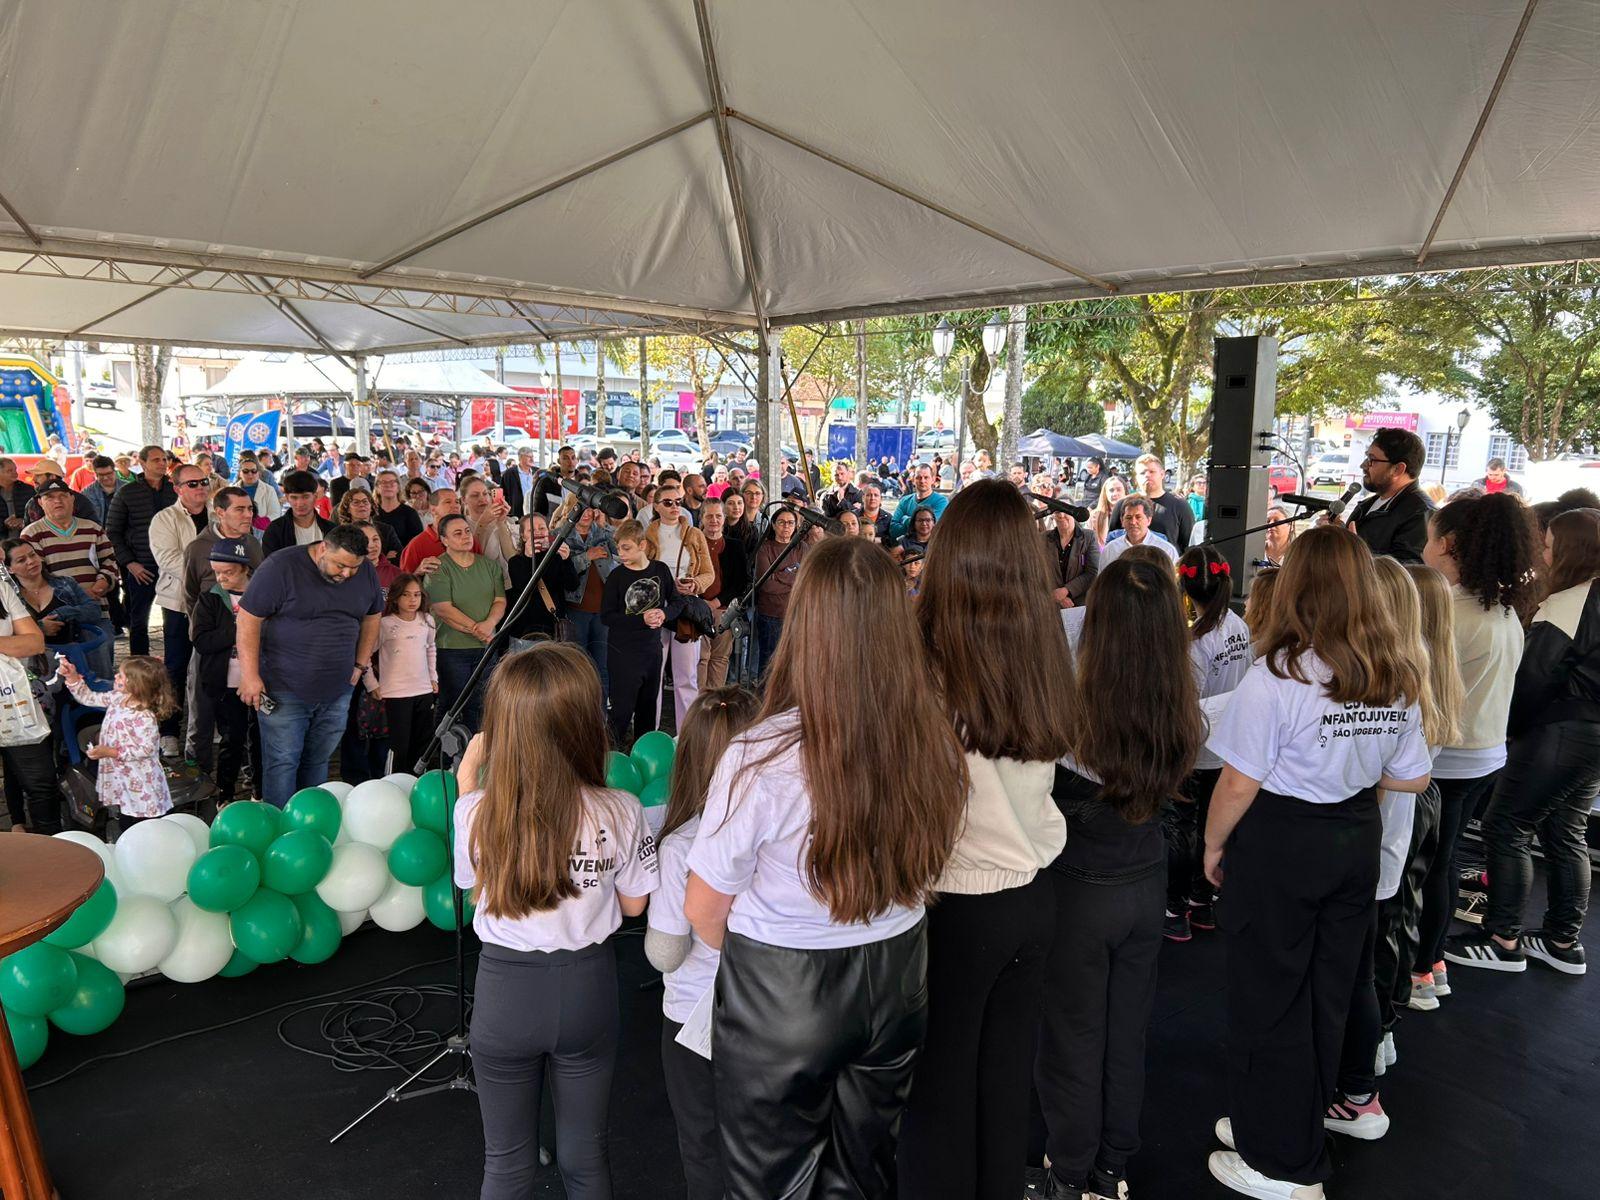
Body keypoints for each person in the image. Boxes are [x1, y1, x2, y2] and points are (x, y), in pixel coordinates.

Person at [683, 537, 968, 1200]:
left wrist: (771, 960)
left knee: (771, 1185)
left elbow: (703, 910)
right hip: (897, 975)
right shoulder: (935, 738)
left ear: (806, 626)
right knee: (866, 1176)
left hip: (783, 991)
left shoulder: (760, 755)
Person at [1203, 527, 1431, 1200]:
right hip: (1352, 841)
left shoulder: (1278, 676)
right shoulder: (1394, 672)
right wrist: (1348, 771)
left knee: (1269, 998)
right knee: (1324, 998)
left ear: (1298, 584)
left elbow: (1238, 784)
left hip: (1283, 845)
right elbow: (1413, 779)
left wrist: (1213, 847)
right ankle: (1277, 1127)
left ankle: (1280, 1163)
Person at [896, 481, 1072, 1200]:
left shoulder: (927, 652)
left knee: (938, 1095)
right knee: (1004, 1091)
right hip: (1034, 897)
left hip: (957, 903)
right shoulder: (1046, 643)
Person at [453, 644, 659, 1200]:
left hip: (504, 993)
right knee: (586, 1157)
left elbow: (476, 896)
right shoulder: (621, 808)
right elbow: (636, 906)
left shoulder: (474, 809)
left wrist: (468, 777)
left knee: (507, 1164)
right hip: (588, 988)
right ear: (585, 721)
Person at [1037, 554, 1205, 1200]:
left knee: (1072, 1039)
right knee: (1126, 1034)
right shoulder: (1178, 703)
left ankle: (1069, 1171)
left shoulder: (1074, 706)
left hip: (1081, 891)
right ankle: (1111, 1169)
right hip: (1144, 884)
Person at [1446, 507, 1600, 976]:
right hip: (1591, 739)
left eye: (1550, 546)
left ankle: (1503, 938)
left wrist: (1507, 729)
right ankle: (1561, 939)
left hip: (1559, 734)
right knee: (1565, 831)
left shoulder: (1569, 603)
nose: (1544, 555)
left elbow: (1532, 680)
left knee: (1507, 826)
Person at [1412, 492, 1542, 999]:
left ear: (1446, 544)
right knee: (1440, 862)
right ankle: (1433, 962)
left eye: (1427, 539)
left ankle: (1423, 968)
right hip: (1482, 757)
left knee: (1430, 867)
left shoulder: (1450, 612)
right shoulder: (1505, 611)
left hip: (1447, 758)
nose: (1422, 549)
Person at [645, 685, 761, 1200]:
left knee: (703, 1144)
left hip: (697, 1017)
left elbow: (667, 951)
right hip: (777, 1007)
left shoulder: (682, 843)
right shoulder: (786, 828)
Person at [237, 524, 383, 807]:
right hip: (284, 688)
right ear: (323, 548)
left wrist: (359, 664)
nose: (347, 574)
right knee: (282, 762)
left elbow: (373, 616)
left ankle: (307, 823)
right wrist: (250, 675)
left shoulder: (364, 571)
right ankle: (280, 828)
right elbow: (248, 619)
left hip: (339, 687)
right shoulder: (280, 567)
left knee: (318, 761)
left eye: (353, 567)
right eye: (341, 565)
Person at [1163, 543, 1253, 944]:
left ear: (1184, 587)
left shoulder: (1194, 641)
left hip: (1195, 747)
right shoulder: (1238, 625)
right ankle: (1202, 899)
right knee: (1211, 826)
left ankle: (1175, 907)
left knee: (1182, 827)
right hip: (1228, 746)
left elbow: (1186, 701)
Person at [61, 654, 176, 831]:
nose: (115, 676)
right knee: (127, 813)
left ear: (136, 685)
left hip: (140, 778)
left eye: (121, 675)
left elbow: (145, 749)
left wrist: (110, 752)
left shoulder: (144, 717)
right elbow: (89, 698)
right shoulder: (118, 698)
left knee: (144, 821)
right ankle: (126, 840)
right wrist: (72, 677)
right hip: (123, 776)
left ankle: (147, 847)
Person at [189, 539, 263, 804]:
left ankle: (259, 790)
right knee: (231, 739)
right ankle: (225, 793)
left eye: (228, 572)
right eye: (217, 572)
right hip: (225, 682)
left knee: (259, 738)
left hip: (259, 681)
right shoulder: (210, 599)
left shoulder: (263, 596)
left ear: (244, 568)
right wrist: (242, 627)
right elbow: (201, 640)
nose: (221, 578)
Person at [22, 478, 118, 677]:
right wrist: (74, 594)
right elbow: (36, 575)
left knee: (101, 668)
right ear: (40, 502)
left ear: (72, 499)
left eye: (62, 496)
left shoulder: (93, 528)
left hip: (96, 609)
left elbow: (109, 562)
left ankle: (101, 707)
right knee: (61, 675)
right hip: (55, 616)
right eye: (49, 497)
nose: (57, 501)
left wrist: (102, 583)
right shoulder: (31, 535)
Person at [149, 463, 213, 756]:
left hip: (217, 601)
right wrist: (211, 577)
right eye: (192, 484)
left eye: (204, 481)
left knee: (215, 664)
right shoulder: (165, 519)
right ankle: (169, 731)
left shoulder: (219, 513)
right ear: (177, 489)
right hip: (178, 603)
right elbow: (169, 560)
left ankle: (211, 724)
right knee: (176, 667)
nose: (200, 487)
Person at [602, 519, 683, 746]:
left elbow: (677, 603)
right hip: (623, 653)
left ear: (642, 545)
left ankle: (643, 758)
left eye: (626, 548)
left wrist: (664, 614)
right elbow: (607, 616)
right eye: (619, 548)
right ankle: (610, 758)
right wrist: (642, 619)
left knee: (648, 710)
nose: (621, 553)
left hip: (652, 651)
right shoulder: (616, 577)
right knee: (621, 712)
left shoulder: (660, 570)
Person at [425, 513, 506, 734]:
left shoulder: (488, 566)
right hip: (452, 649)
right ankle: (439, 753)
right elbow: (443, 608)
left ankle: (477, 752)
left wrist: (489, 623)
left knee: (482, 704)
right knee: (451, 703)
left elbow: (500, 600)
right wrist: (478, 629)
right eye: (457, 533)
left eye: (467, 531)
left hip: (486, 646)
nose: (465, 536)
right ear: (444, 540)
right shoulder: (438, 567)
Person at [366, 573, 438, 778]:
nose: (412, 600)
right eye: (406, 595)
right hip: (395, 694)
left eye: (417, 595)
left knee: (422, 742)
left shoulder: (427, 620)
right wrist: (372, 684)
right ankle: (394, 783)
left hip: (423, 691)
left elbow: (430, 648)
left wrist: (433, 678)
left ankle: (417, 783)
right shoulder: (385, 624)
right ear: (396, 597)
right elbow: (366, 654)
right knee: (399, 745)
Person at [106, 445, 176, 657]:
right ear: (143, 463)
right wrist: (130, 563)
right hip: (142, 566)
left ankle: (174, 666)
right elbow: (112, 532)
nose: (162, 463)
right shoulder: (127, 492)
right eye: (156, 460)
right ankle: (139, 665)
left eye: (164, 459)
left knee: (174, 619)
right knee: (139, 620)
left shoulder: (176, 490)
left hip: (173, 566)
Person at [1344, 428, 1431, 563]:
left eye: (1372, 460)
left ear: (1398, 469)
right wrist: (1338, 534)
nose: (1363, 465)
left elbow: (1406, 574)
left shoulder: (1420, 513)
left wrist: (1356, 551)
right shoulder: (1368, 505)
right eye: (1367, 457)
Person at [562, 500, 617, 705]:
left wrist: (605, 525)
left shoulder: (602, 532)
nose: (586, 514)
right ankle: (578, 710)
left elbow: (622, 550)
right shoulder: (563, 533)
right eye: (581, 509)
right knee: (577, 665)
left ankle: (600, 714)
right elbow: (560, 570)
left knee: (601, 666)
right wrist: (587, 556)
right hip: (575, 609)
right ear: (571, 509)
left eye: (590, 509)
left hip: (602, 611)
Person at [505, 510, 577, 644]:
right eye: (531, 530)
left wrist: (567, 560)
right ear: (523, 536)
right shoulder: (516, 561)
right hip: (525, 631)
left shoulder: (555, 557)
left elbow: (572, 585)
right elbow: (524, 589)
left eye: (542, 528)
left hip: (554, 630)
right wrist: (529, 557)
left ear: (548, 531)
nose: (537, 532)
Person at [696, 497, 745, 691]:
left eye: (718, 516)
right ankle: (698, 705)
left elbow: (740, 582)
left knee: (719, 658)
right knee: (700, 658)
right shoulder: (693, 544)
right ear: (702, 518)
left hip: (724, 611)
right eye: (709, 516)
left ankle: (715, 703)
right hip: (696, 610)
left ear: (724, 518)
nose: (714, 520)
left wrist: (716, 603)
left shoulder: (735, 546)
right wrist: (700, 603)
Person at [752, 507, 804, 680]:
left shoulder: (802, 548)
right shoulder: (765, 549)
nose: (786, 527)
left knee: (794, 663)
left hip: (796, 615)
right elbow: (766, 586)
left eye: (790, 523)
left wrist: (779, 575)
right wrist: (793, 577)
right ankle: (765, 701)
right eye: (781, 522)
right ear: (773, 525)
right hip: (771, 615)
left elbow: (805, 581)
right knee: (769, 663)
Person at [400, 488, 479, 573]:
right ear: (433, 510)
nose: (455, 506)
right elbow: (403, 582)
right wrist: (418, 572)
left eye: (457, 502)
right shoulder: (416, 545)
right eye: (448, 502)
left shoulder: (469, 539)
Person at [262, 469, 335, 554]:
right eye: (294, 497)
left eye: (305, 497)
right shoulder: (275, 531)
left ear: (315, 497)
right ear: (287, 498)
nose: (300, 503)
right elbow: (271, 564)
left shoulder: (331, 530)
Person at [1100, 495, 1178, 567]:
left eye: (1138, 517)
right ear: (1122, 521)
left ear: (1149, 520)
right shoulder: (1110, 550)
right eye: (1128, 517)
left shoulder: (1166, 550)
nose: (1133, 522)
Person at [1045, 506, 1099, 608]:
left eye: (1066, 511)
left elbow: (1092, 572)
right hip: (1050, 603)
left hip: (1080, 604)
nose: (1061, 515)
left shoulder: (1089, 537)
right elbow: (1038, 572)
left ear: (1074, 513)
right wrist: (1057, 596)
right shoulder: (1043, 538)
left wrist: (1066, 590)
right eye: (1057, 512)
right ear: (1053, 515)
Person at [336, 487, 404, 564]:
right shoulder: (341, 534)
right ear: (347, 509)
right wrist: (383, 558)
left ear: (371, 507)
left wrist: (380, 561)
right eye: (356, 502)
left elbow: (399, 556)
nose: (361, 505)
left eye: (365, 502)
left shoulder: (386, 530)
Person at [889, 466, 948, 538]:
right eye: (918, 477)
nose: (922, 481)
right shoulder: (905, 501)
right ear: (913, 480)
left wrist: (905, 519)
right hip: (905, 547)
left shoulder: (941, 501)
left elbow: (929, 529)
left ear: (933, 480)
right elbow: (892, 530)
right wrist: (915, 525)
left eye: (926, 477)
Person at [373, 469, 424, 549]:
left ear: (398, 488)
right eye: (383, 482)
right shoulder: (372, 513)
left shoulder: (409, 513)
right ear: (377, 488)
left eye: (392, 482)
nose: (388, 485)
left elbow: (418, 542)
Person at [233, 454, 282, 533]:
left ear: (258, 473)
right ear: (240, 473)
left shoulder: (269, 490)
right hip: (237, 531)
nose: (250, 474)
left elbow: (275, 514)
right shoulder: (232, 490)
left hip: (263, 534)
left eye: (253, 471)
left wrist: (259, 523)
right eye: (246, 471)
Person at [498, 445, 539, 519]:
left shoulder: (537, 472)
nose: (532, 459)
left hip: (536, 512)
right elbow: (503, 494)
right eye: (529, 457)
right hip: (517, 514)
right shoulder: (509, 474)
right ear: (520, 458)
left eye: (532, 456)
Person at [0, 457, 36, 534]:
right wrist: (4, 524)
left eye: (15, 469)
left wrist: (24, 521)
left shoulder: (28, 490)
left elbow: (39, 514)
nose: (15, 473)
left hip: (26, 537)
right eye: (9, 471)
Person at [1089, 475, 1128, 545]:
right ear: (1105, 493)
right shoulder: (1095, 516)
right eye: (1111, 490)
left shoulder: (1133, 515)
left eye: (1119, 490)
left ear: (1125, 492)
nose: (1115, 494)